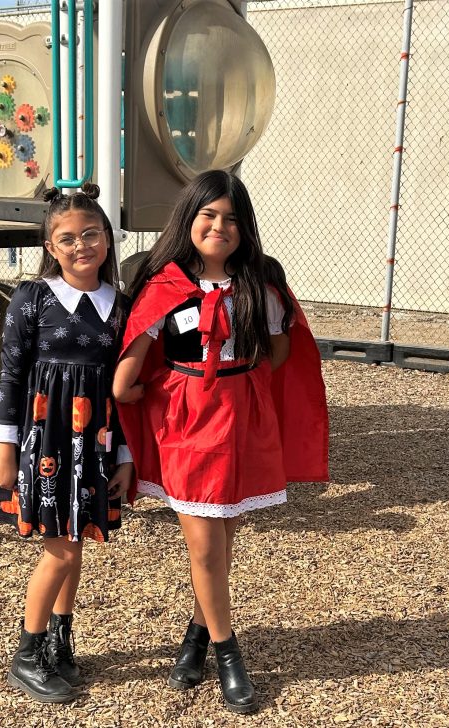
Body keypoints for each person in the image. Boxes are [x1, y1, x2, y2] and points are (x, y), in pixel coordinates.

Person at [112, 170, 329, 714]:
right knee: (206, 548)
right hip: (189, 423)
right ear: (189, 220)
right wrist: (160, 393)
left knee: (221, 543)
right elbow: (126, 374)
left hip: (242, 419)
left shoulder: (260, 285)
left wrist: (241, 377)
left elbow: (280, 354)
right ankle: (229, 654)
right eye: (208, 214)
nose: (219, 226)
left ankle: (194, 636)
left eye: (231, 218)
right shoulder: (163, 284)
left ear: (245, 226)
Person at [0, 184, 134, 704]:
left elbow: (124, 389)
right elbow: (10, 375)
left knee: (76, 544)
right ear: (51, 246)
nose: (81, 247)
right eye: (67, 239)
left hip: (94, 442)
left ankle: (59, 639)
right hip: (45, 440)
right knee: (60, 549)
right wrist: (4, 449)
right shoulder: (32, 299)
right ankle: (25, 656)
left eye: (90, 234)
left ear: (107, 238)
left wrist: (126, 456)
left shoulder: (121, 305)